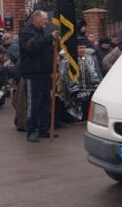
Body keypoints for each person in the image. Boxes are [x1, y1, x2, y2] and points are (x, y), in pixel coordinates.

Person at [19, 10, 59, 143]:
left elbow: (47, 52)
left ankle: (43, 129)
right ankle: (31, 130)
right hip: (33, 73)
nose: (47, 21)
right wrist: (49, 38)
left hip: (45, 73)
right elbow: (33, 47)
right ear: (35, 18)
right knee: (33, 104)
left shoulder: (43, 32)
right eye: (44, 19)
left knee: (45, 103)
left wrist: (52, 69)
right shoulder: (26, 32)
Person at [58, 37, 102, 122]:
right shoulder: (67, 61)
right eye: (80, 48)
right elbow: (63, 76)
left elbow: (97, 72)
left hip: (91, 88)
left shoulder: (92, 59)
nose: (82, 50)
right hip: (74, 90)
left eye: (84, 48)